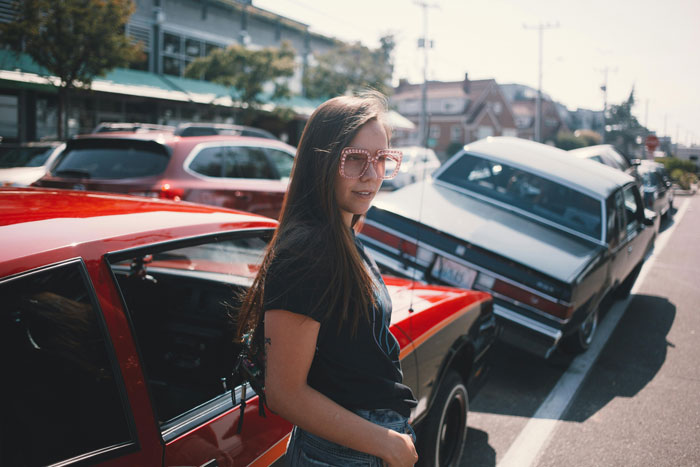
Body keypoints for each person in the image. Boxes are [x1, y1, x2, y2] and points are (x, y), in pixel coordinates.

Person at [236, 91, 418, 466]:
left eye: (381, 158)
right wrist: (388, 444)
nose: (372, 175)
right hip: (347, 452)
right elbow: (284, 393)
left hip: (358, 442)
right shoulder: (308, 251)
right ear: (322, 162)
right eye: (354, 159)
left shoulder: (339, 232)